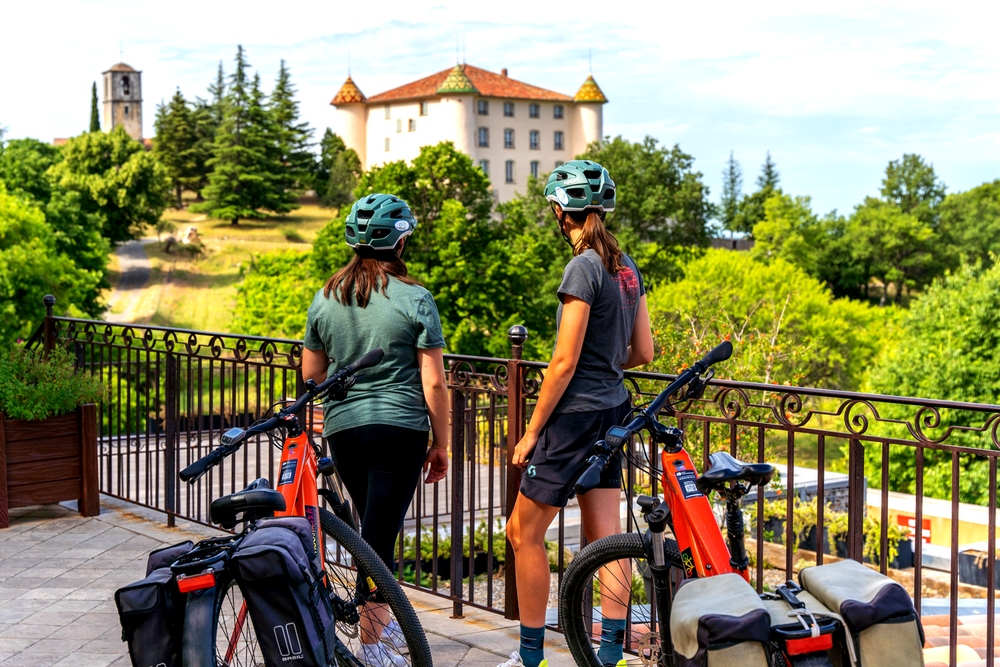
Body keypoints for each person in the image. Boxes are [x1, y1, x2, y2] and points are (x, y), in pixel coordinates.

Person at [500, 161, 654, 667]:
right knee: (605, 539)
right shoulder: (625, 265)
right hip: (614, 408)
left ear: (559, 210)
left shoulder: (583, 266)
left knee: (522, 533)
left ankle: (530, 658)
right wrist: (608, 362)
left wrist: (530, 432)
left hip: (574, 417)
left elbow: (562, 363)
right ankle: (610, 655)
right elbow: (643, 353)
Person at [302, 193, 449, 667]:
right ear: (401, 241)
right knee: (379, 539)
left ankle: (373, 636)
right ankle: (374, 647)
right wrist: (442, 442)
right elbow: (434, 382)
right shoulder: (416, 298)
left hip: (344, 432)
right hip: (400, 431)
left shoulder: (326, 298)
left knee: (371, 531)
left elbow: (312, 379)